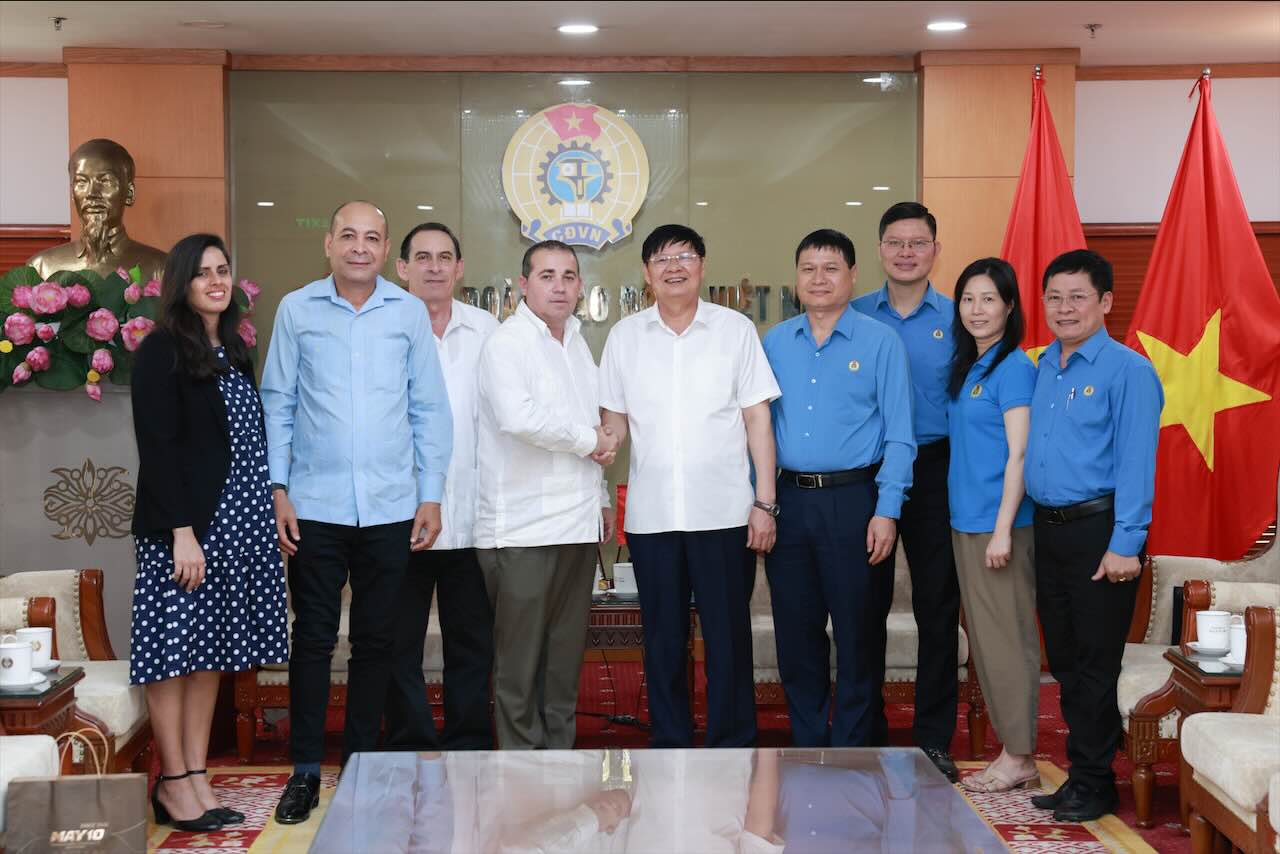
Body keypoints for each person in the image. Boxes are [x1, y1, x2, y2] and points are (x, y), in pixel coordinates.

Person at [261, 201, 452, 824]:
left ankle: (362, 762)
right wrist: (278, 488)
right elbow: (279, 402)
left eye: (373, 238)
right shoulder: (297, 309)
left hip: (393, 505)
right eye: (349, 236)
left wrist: (431, 493)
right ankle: (306, 770)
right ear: (329, 244)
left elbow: (429, 408)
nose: (361, 248)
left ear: (385, 247)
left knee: (377, 642)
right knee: (314, 638)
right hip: (313, 506)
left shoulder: (407, 314)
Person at [129, 233, 288, 832]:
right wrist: (182, 533)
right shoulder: (160, 350)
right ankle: (172, 782)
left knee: (211, 655)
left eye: (223, 270)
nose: (216, 281)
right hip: (188, 529)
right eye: (203, 274)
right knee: (172, 656)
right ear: (181, 284)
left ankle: (196, 774)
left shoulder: (233, 351)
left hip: (240, 527)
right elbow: (160, 449)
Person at [600, 224, 780, 748]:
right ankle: (670, 746)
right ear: (646, 272)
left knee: (728, 641)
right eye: (661, 258)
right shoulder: (624, 337)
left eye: (684, 256)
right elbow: (613, 426)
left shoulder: (735, 331)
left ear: (701, 265)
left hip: (724, 515)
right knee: (662, 642)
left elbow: (758, 422)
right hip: (654, 519)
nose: (673, 266)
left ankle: (732, 747)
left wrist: (764, 503)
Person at [761, 229, 915, 747]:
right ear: (796, 278)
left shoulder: (880, 342)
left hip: (857, 501)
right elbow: (755, 431)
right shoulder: (775, 342)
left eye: (831, 268)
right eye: (808, 268)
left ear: (852, 276)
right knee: (797, 633)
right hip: (790, 502)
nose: (819, 278)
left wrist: (887, 509)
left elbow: (900, 434)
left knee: (858, 632)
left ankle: (854, 748)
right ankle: (808, 741)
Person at [1025, 249, 1163, 822]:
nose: (1064, 308)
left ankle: (1095, 782)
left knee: (1095, 662)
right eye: (1054, 297)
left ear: (1105, 302)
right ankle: (1083, 773)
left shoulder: (1128, 370)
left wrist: (1126, 541)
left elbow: (1137, 460)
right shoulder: (1044, 368)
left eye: (1077, 296)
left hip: (1101, 533)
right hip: (1049, 534)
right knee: (1063, 658)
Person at [474, 239, 615, 749]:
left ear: (579, 287)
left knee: (562, 661)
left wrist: (601, 495)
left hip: (576, 525)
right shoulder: (507, 344)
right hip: (521, 531)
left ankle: (561, 766)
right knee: (518, 667)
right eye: (547, 275)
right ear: (523, 285)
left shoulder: (577, 343)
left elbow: (589, 425)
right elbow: (519, 419)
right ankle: (521, 775)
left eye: (569, 276)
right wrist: (590, 441)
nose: (559, 285)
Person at [851, 201, 961, 780]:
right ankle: (864, 732)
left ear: (935, 251)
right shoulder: (854, 315)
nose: (906, 252)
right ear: (879, 249)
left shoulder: (960, 317)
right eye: (895, 242)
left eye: (918, 243)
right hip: (870, 473)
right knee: (862, 607)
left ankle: (932, 739)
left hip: (938, 471)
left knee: (936, 610)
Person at [384, 222, 498, 751]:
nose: (434, 267)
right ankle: (411, 742)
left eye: (445, 257)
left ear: (459, 269)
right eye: (422, 257)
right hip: (396, 516)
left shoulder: (488, 332)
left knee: (472, 644)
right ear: (401, 267)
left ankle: (468, 744)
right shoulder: (381, 328)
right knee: (396, 643)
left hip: (472, 518)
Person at [944, 258, 1041, 793]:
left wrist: (1003, 529)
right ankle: (1014, 747)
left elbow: (1020, 454)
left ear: (1009, 306)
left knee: (1007, 638)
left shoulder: (1014, 367)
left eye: (988, 299)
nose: (977, 310)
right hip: (967, 521)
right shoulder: (971, 364)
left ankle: (1020, 753)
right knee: (985, 638)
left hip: (1000, 526)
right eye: (967, 299)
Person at [28, 138, 167, 281]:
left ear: (129, 193)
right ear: (72, 193)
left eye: (105, 181)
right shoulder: (41, 267)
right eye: (81, 182)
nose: (91, 194)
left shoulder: (161, 269)